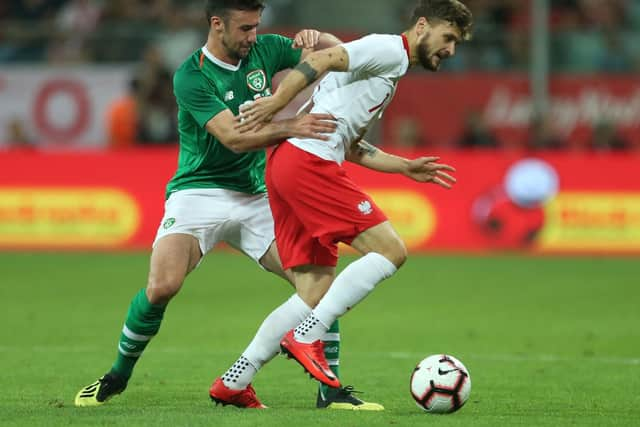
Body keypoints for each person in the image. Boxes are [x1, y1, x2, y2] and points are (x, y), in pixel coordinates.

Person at [74, 0, 378, 410]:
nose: (253, 36)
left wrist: (318, 39)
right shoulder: (191, 75)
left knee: (318, 285)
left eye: (257, 26)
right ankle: (117, 375)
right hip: (198, 192)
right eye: (245, 29)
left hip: (255, 197)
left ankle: (331, 389)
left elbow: (337, 59)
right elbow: (233, 137)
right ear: (217, 25)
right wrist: (291, 126)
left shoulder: (266, 49)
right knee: (162, 286)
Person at [222, 0, 472, 399]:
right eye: (449, 38)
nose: (451, 50)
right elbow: (323, 58)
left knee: (313, 292)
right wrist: (274, 102)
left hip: (289, 161)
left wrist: (404, 167)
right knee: (391, 250)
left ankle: (234, 380)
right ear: (422, 26)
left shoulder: (389, 68)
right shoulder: (390, 49)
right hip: (309, 162)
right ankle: (307, 336)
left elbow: (352, 146)